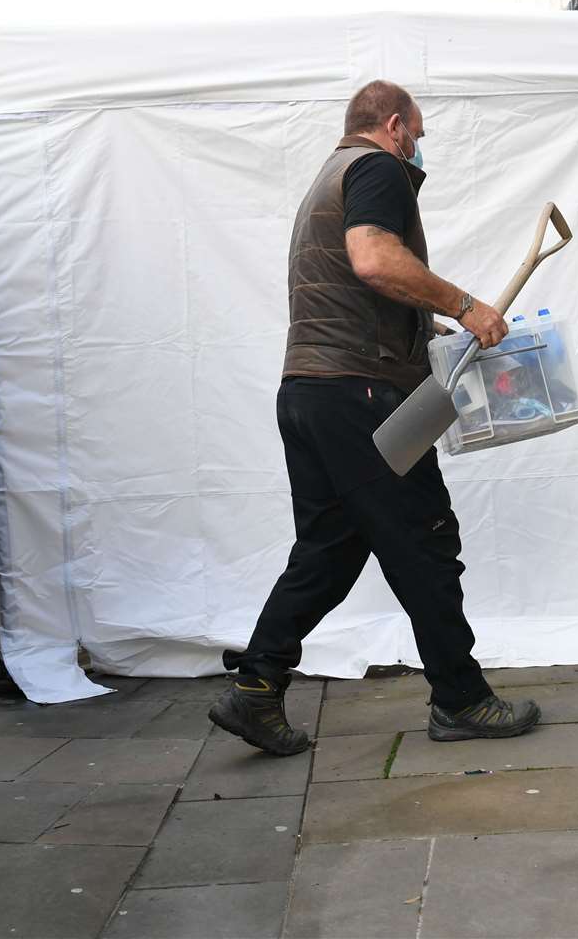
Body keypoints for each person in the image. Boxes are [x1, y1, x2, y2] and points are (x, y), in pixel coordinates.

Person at [208, 80, 542, 756]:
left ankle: (257, 688)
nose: (417, 149)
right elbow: (373, 258)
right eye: (416, 135)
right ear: (392, 124)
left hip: (308, 392)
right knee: (424, 540)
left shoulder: (327, 178)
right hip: (359, 394)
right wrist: (467, 305)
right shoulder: (376, 168)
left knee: (331, 548)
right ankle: (462, 699)